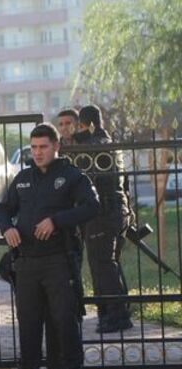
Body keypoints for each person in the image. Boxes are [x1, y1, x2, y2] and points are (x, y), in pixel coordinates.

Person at [0, 123, 100, 369]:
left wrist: (56, 221)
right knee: (28, 322)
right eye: (34, 147)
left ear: (56, 146)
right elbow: (3, 209)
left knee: (65, 319)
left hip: (58, 260)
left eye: (43, 147)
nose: (38, 152)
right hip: (27, 262)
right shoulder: (23, 178)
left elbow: (92, 206)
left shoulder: (71, 176)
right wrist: (7, 228)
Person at [75, 105, 133, 334]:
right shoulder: (111, 143)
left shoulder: (94, 146)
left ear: (86, 124)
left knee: (102, 265)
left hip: (103, 213)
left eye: (79, 125)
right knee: (108, 263)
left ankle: (117, 315)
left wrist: (78, 143)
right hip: (118, 210)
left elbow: (88, 178)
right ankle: (109, 313)